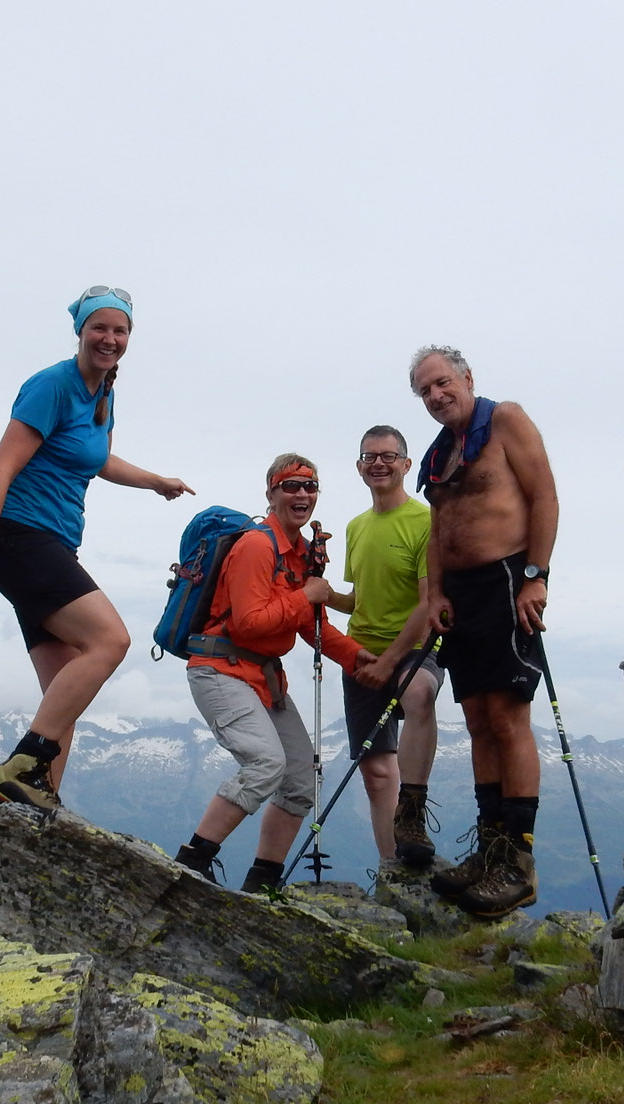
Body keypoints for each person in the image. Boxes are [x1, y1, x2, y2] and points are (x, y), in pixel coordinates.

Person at [0, 286, 192, 811]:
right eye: (99, 327)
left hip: (50, 543)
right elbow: (0, 470)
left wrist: (155, 481)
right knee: (110, 640)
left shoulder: (102, 392)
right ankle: (21, 766)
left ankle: (35, 801)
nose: (109, 338)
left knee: (64, 691)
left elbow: (95, 458)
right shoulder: (53, 386)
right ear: (80, 331)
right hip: (18, 537)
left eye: (119, 330)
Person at [174, 454, 375, 894]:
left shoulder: (298, 554)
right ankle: (190, 865)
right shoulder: (256, 546)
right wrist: (307, 596)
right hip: (220, 670)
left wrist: (358, 658)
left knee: (301, 780)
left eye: (310, 486)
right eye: (291, 486)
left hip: (262, 679)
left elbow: (309, 625)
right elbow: (249, 623)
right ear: (271, 492)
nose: (302, 494)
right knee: (265, 764)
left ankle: (262, 883)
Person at [409, 345, 559, 917]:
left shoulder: (505, 420)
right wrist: (436, 593)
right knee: (476, 720)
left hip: (506, 580)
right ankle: (491, 851)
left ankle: (517, 863)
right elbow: (439, 527)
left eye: (442, 382)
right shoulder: (439, 454)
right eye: (425, 390)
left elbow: (544, 495)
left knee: (507, 716)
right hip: (461, 595)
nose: (435, 395)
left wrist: (536, 576)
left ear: (467, 378)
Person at [326, 425, 446, 866]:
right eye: (370, 457)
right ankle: (391, 867)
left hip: (414, 646)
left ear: (406, 464)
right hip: (362, 652)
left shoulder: (426, 521)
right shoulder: (356, 527)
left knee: (419, 692)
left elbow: (428, 602)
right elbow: (360, 599)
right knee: (376, 773)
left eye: (388, 456)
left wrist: (388, 662)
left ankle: (412, 811)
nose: (378, 463)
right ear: (359, 467)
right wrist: (325, 595)